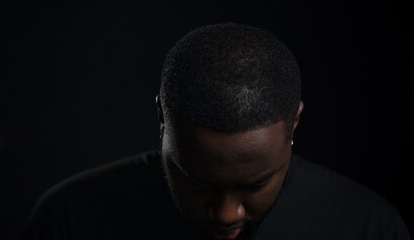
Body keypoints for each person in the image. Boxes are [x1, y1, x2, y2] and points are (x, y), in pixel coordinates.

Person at [23, 23, 411, 240]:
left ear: (294, 124)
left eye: (256, 184)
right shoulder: (69, 222)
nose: (227, 214)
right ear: (162, 118)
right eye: (196, 181)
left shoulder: (370, 228)